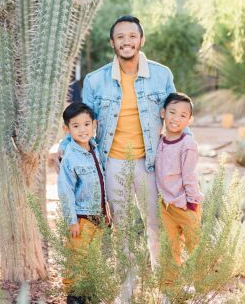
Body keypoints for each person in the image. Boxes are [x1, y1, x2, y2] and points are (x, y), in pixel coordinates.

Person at [58, 15, 184, 301]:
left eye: (132, 36)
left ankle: (165, 288)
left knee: (157, 226)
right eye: (120, 37)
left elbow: (177, 116)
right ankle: (127, 286)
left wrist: (183, 153)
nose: (126, 41)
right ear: (112, 43)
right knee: (123, 228)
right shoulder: (95, 80)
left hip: (150, 163)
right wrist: (66, 144)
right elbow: (82, 121)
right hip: (112, 162)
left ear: (141, 40)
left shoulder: (162, 75)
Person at [57, 102, 109, 304]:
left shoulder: (95, 148)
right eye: (76, 126)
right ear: (67, 129)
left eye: (87, 124)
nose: (83, 130)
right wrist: (71, 220)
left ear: (94, 124)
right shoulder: (71, 156)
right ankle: (74, 296)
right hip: (81, 217)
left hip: (98, 216)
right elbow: (65, 190)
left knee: (92, 258)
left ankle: (89, 293)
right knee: (76, 257)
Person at [155, 92, 203, 285]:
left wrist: (192, 204)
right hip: (166, 207)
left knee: (195, 246)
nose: (176, 118)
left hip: (186, 205)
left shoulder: (187, 144)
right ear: (162, 113)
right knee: (170, 248)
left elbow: (189, 176)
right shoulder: (157, 141)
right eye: (172, 112)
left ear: (189, 120)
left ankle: (200, 284)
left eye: (183, 115)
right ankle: (170, 288)